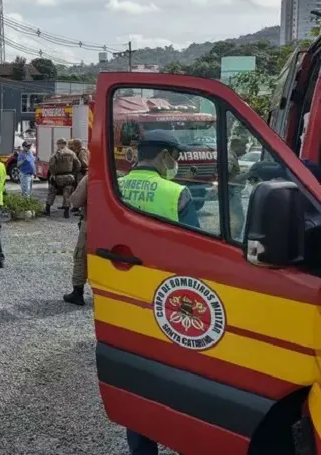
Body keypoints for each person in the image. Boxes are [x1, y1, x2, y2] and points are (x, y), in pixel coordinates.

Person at [117, 130, 198, 454]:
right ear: (165, 156)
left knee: (135, 381)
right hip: (169, 301)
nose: (176, 163)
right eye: (175, 157)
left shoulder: (116, 186)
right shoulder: (176, 192)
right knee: (177, 378)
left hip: (122, 298)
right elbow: (195, 252)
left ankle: (142, 446)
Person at [63, 172, 89, 306]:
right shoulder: (120, 175)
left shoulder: (91, 177)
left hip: (91, 224)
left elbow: (77, 200)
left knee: (80, 256)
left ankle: (77, 293)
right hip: (114, 224)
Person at [45, 138, 80, 218]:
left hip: (57, 177)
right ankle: (66, 213)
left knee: (52, 192)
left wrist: (53, 174)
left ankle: (47, 210)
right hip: (68, 177)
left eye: (58, 144)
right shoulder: (72, 153)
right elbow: (78, 165)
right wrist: (73, 173)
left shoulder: (56, 154)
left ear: (60, 144)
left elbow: (51, 165)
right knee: (67, 194)